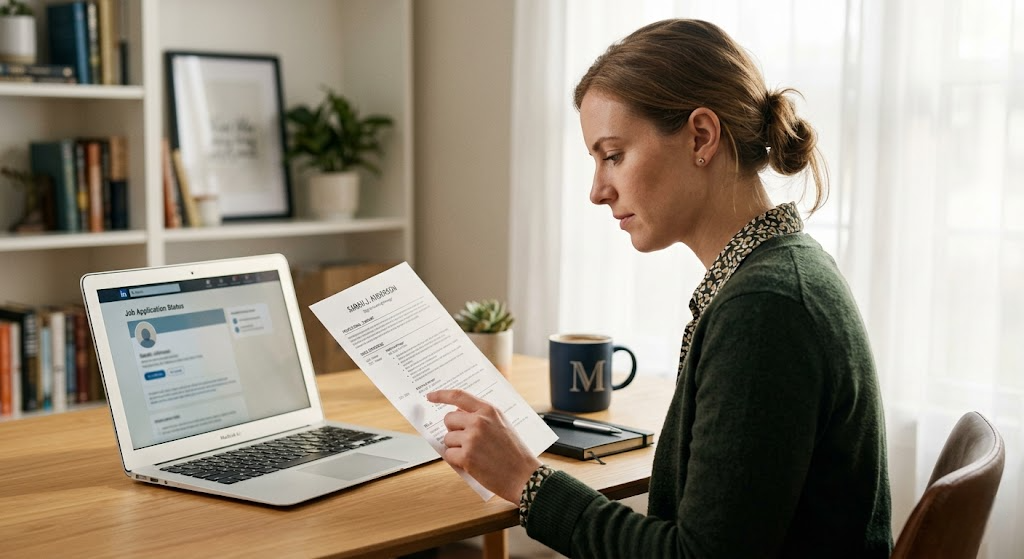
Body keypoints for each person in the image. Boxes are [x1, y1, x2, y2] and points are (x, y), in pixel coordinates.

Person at [427, 18, 891, 558]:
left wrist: (526, 483)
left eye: (613, 155)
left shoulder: (767, 305)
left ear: (701, 136)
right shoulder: (783, 273)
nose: (598, 191)